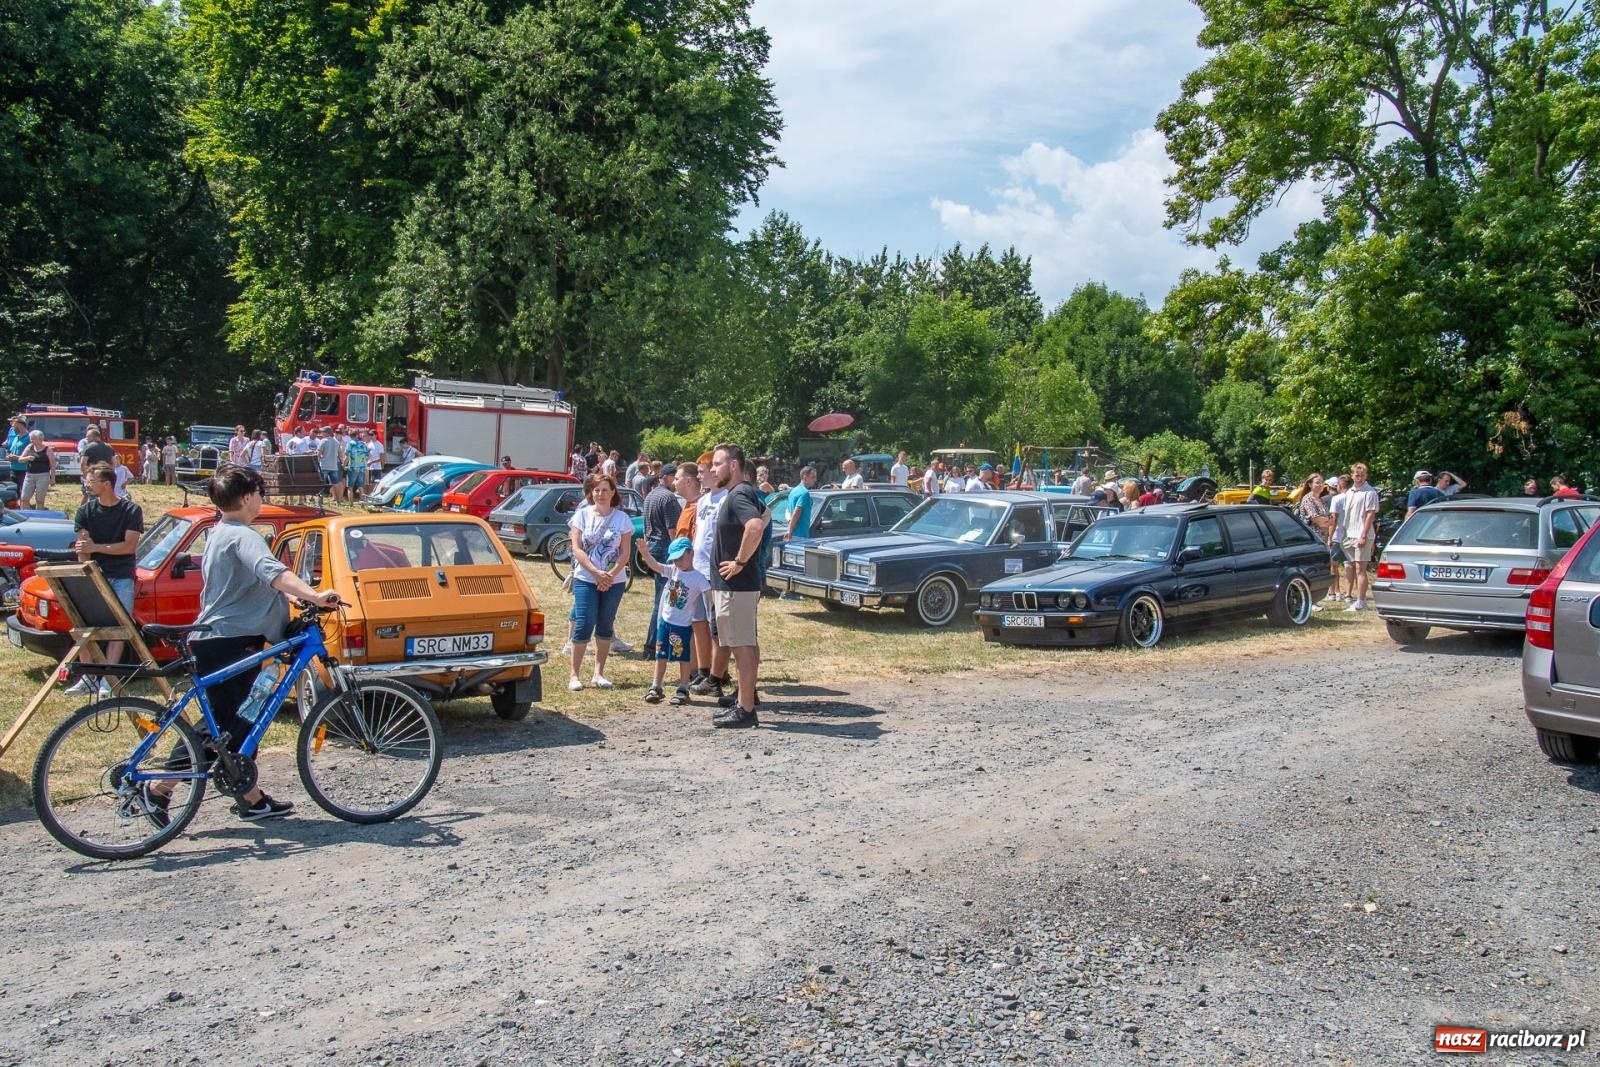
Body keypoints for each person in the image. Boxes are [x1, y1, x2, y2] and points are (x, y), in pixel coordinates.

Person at [186, 465, 341, 821]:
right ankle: (158, 789)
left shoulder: (220, 531)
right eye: (259, 492)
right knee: (226, 726)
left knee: (239, 720)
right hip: (230, 639)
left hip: (226, 637)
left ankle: (251, 798)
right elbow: (274, 573)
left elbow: (248, 585)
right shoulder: (244, 535)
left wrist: (296, 601)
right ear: (246, 498)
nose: (261, 499)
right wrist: (315, 596)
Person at [64, 463, 145, 697]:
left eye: (91, 480)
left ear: (107, 484)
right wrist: (86, 556)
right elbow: (83, 548)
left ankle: (108, 680)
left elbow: (129, 546)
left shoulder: (131, 510)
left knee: (120, 627)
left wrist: (96, 547)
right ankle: (89, 677)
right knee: (84, 627)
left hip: (121, 576)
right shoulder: (85, 511)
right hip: (94, 576)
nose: (87, 484)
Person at [709, 443, 767, 729]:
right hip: (741, 585)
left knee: (741, 645)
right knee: (747, 643)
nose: (712, 469)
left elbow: (756, 525)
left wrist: (739, 562)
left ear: (734, 466)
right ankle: (747, 698)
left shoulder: (739, 494)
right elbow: (766, 515)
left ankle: (745, 709)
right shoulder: (745, 493)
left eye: (717, 463)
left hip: (736, 585)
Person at [567, 473, 633, 691]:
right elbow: (576, 548)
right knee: (584, 622)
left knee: (605, 624)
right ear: (590, 493)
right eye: (596, 490)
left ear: (613, 492)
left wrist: (610, 575)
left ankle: (598, 673)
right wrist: (596, 573)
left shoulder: (622, 518)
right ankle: (574, 675)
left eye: (605, 489)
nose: (600, 494)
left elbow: (625, 553)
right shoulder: (582, 516)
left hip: (614, 581)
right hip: (586, 578)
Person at [635, 536, 709, 706]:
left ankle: (683, 688)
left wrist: (713, 616)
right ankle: (656, 686)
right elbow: (656, 566)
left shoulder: (699, 578)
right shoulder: (672, 571)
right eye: (675, 559)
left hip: (682, 626)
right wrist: (645, 553)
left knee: (683, 657)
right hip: (665, 622)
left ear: (691, 553)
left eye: (681, 558)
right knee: (660, 655)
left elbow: (709, 596)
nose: (678, 562)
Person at [641, 462, 683, 659]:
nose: (676, 481)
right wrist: (681, 556)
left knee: (662, 598)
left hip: (652, 548)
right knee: (664, 600)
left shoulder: (651, 495)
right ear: (665, 477)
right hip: (664, 549)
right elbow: (672, 530)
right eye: (674, 477)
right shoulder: (668, 498)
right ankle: (652, 646)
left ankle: (656, 644)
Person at [1342, 463, 1380, 611]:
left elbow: (1370, 514)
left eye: (1362, 475)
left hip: (1362, 534)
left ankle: (1361, 601)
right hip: (1349, 534)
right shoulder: (1350, 492)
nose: (1359, 478)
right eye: (1356, 475)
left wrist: (1363, 535)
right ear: (1352, 475)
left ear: (1366, 476)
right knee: (1351, 566)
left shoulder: (1369, 492)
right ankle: (1354, 597)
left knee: (1360, 568)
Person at [1324, 473, 1352, 603]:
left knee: (1333, 564)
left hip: (1338, 534)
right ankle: (1348, 594)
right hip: (1351, 535)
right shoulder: (1355, 497)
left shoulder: (1337, 499)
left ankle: (1335, 592)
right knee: (1349, 565)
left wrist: (1329, 536)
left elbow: (1333, 520)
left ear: (1340, 485)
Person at [19, 429, 55, 509]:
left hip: (43, 476)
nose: (31, 440)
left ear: (40, 439)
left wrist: (52, 478)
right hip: (29, 475)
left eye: (33, 438)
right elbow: (20, 459)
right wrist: (27, 458)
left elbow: (52, 465)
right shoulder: (29, 447)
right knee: (24, 498)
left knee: (39, 499)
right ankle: (26, 516)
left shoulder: (47, 450)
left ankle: (39, 516)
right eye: (31, 438)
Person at [315, 425, 343, 501]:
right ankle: (338, 501)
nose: (321, 433)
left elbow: (318, 454)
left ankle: (320, 501)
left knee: (321, 484)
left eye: (322, 432)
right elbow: (340, 455)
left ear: (327, 433)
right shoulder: (336, 442)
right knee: (335, 484)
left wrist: (319, 459)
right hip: (334, 466)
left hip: (324, 465)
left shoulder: (323, 441)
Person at [5, 416, 29, 492]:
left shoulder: (29, 438)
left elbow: (34, 456)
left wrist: (17, 457)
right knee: (15, 492)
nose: (12, 428)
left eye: (14, 426)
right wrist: (8, 457)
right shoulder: (16, 438)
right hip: (13, 469)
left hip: (24, 470)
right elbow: (12, 451)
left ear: (20, 425)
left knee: (24, 492)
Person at [344, 429, 370, 497]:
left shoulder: (350, 444)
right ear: (357, 435)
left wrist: (344, 465)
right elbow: (367, 456)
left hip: (352, 467)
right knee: (361, 486)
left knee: (350, 487)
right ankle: (363, 502)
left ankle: (351, 504)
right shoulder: (363, 443)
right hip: (361, 467)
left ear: (350, 436)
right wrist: (360, 460)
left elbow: (347, 457)